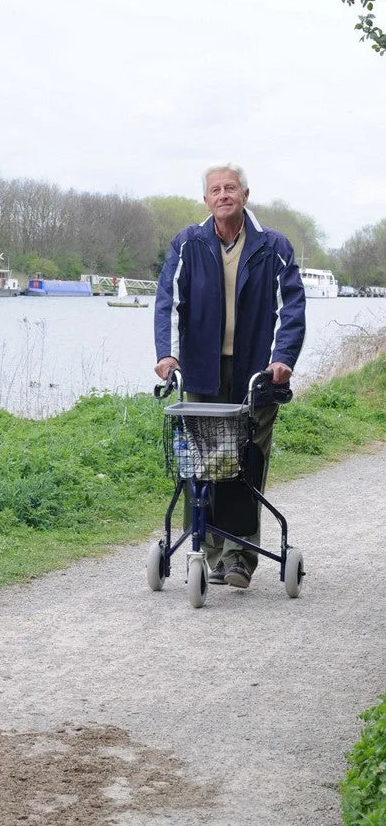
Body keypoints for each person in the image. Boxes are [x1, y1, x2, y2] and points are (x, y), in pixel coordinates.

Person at [154, 164, 306, 588]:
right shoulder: (188, 243)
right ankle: (212, 552)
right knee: (203, 461)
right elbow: (166, 298)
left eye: (231, 188)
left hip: (256, 372)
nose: (223, 195)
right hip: (201, 369)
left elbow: (292, 306)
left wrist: (283, 359)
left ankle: (240, 558)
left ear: (245, 195)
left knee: (246, 461)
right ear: (206, 200)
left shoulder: (273, 245)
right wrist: (165, 353)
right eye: (215, 189)